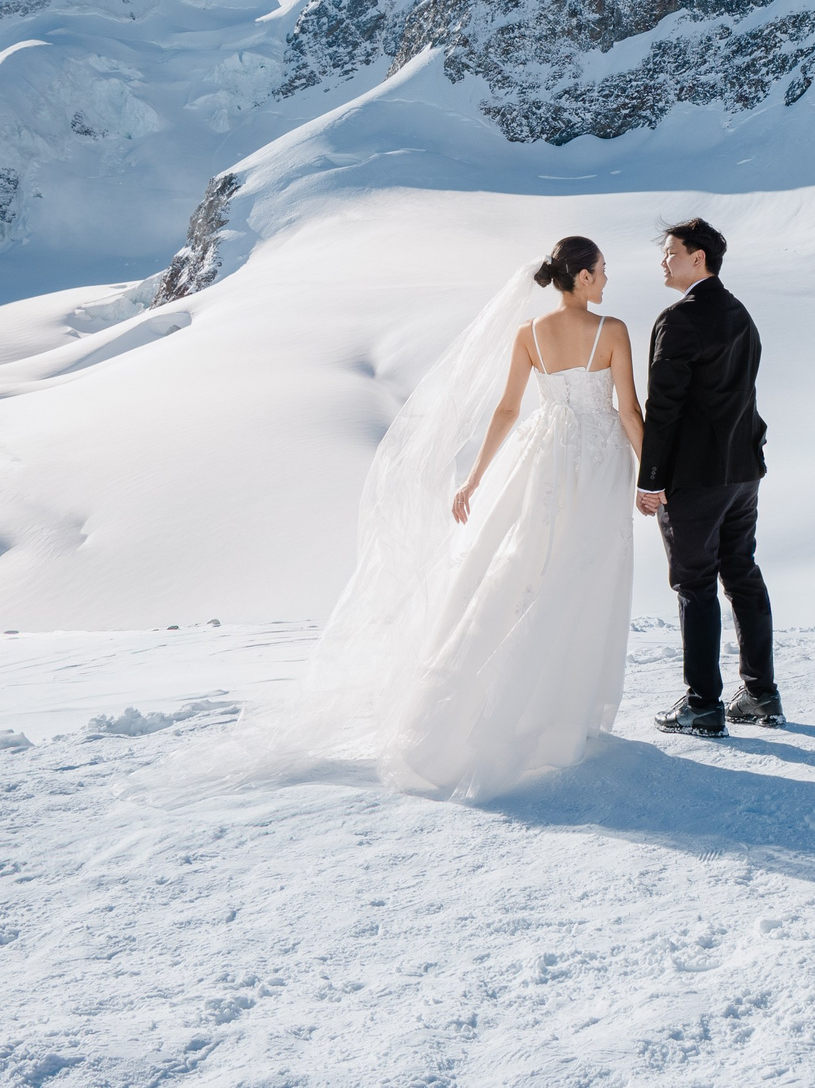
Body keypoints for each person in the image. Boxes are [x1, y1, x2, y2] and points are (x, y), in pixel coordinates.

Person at [331, 235, 644, 800]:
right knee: (585, 576)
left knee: (525, 569)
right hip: (599, 464)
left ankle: (476, 712)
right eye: (601, 269)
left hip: (543, 458)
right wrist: (651, 474)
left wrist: (475, 479)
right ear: (581, 276)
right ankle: (556, 716)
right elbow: (627, 410)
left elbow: (507, 408)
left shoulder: (529, 335)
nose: (606, 278)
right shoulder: (613, 330)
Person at [635, 216, 781, 737]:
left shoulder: (678, 320)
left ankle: (703, 704)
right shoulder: (740, 314)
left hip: (696, 479)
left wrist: (650, 478)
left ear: (698, 257)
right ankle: (761, 694)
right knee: (741, 573)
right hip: (743, 472)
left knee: (694, 584)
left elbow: (664, 407)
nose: (664, 261)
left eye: (671, 252)